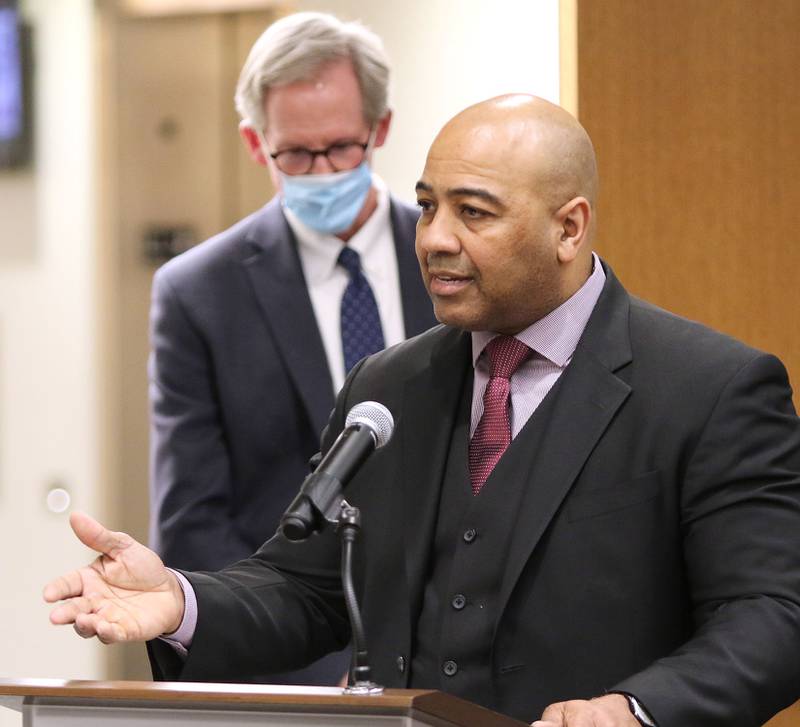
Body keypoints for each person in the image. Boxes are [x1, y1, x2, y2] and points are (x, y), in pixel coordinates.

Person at [46, 95, 800, 726]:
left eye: (475, 214)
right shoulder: (389, 384)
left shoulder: (711, 388)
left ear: (569, 227)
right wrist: (178, 600)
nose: (435, 239)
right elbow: (307, 588)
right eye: (430, 206)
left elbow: (775, 614)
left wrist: (636, 709)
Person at [147, 12, 435, 685]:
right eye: (296, 155)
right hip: (290, 667)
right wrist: (325, 665)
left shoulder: (449, 258)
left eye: (341, 147)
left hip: (454, 660)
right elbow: (195, 523)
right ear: (256, 143)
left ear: (380, 130)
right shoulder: (198, 293)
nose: (323, 171)